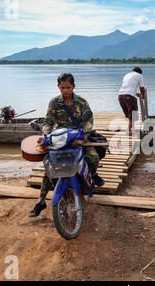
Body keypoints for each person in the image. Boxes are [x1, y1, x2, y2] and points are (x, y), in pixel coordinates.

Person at [29, 73, 104, 218]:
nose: (65, 90)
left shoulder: (82, 102)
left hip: (78, 137)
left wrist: (84, 137)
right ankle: (41, 201)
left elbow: (89, 122)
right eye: (62, 87)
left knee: (93, 157)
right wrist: (45, 136)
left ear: (73, 87)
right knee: (50, 168)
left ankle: (93, 174)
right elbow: (49, 121)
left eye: (68, 87)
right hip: (61, 138)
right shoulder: (54, 102)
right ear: (58, 86)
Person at [118, 66, 146, 134]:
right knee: (133, 115)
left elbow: (128, 86)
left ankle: (131, 129)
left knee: (130, 115)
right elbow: (142, 88)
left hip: (120, 96)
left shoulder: (127, 75)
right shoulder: (139, 75)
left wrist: (134, 92)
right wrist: (142, 96)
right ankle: (129, 131)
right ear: (139, 72)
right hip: (129, 97)